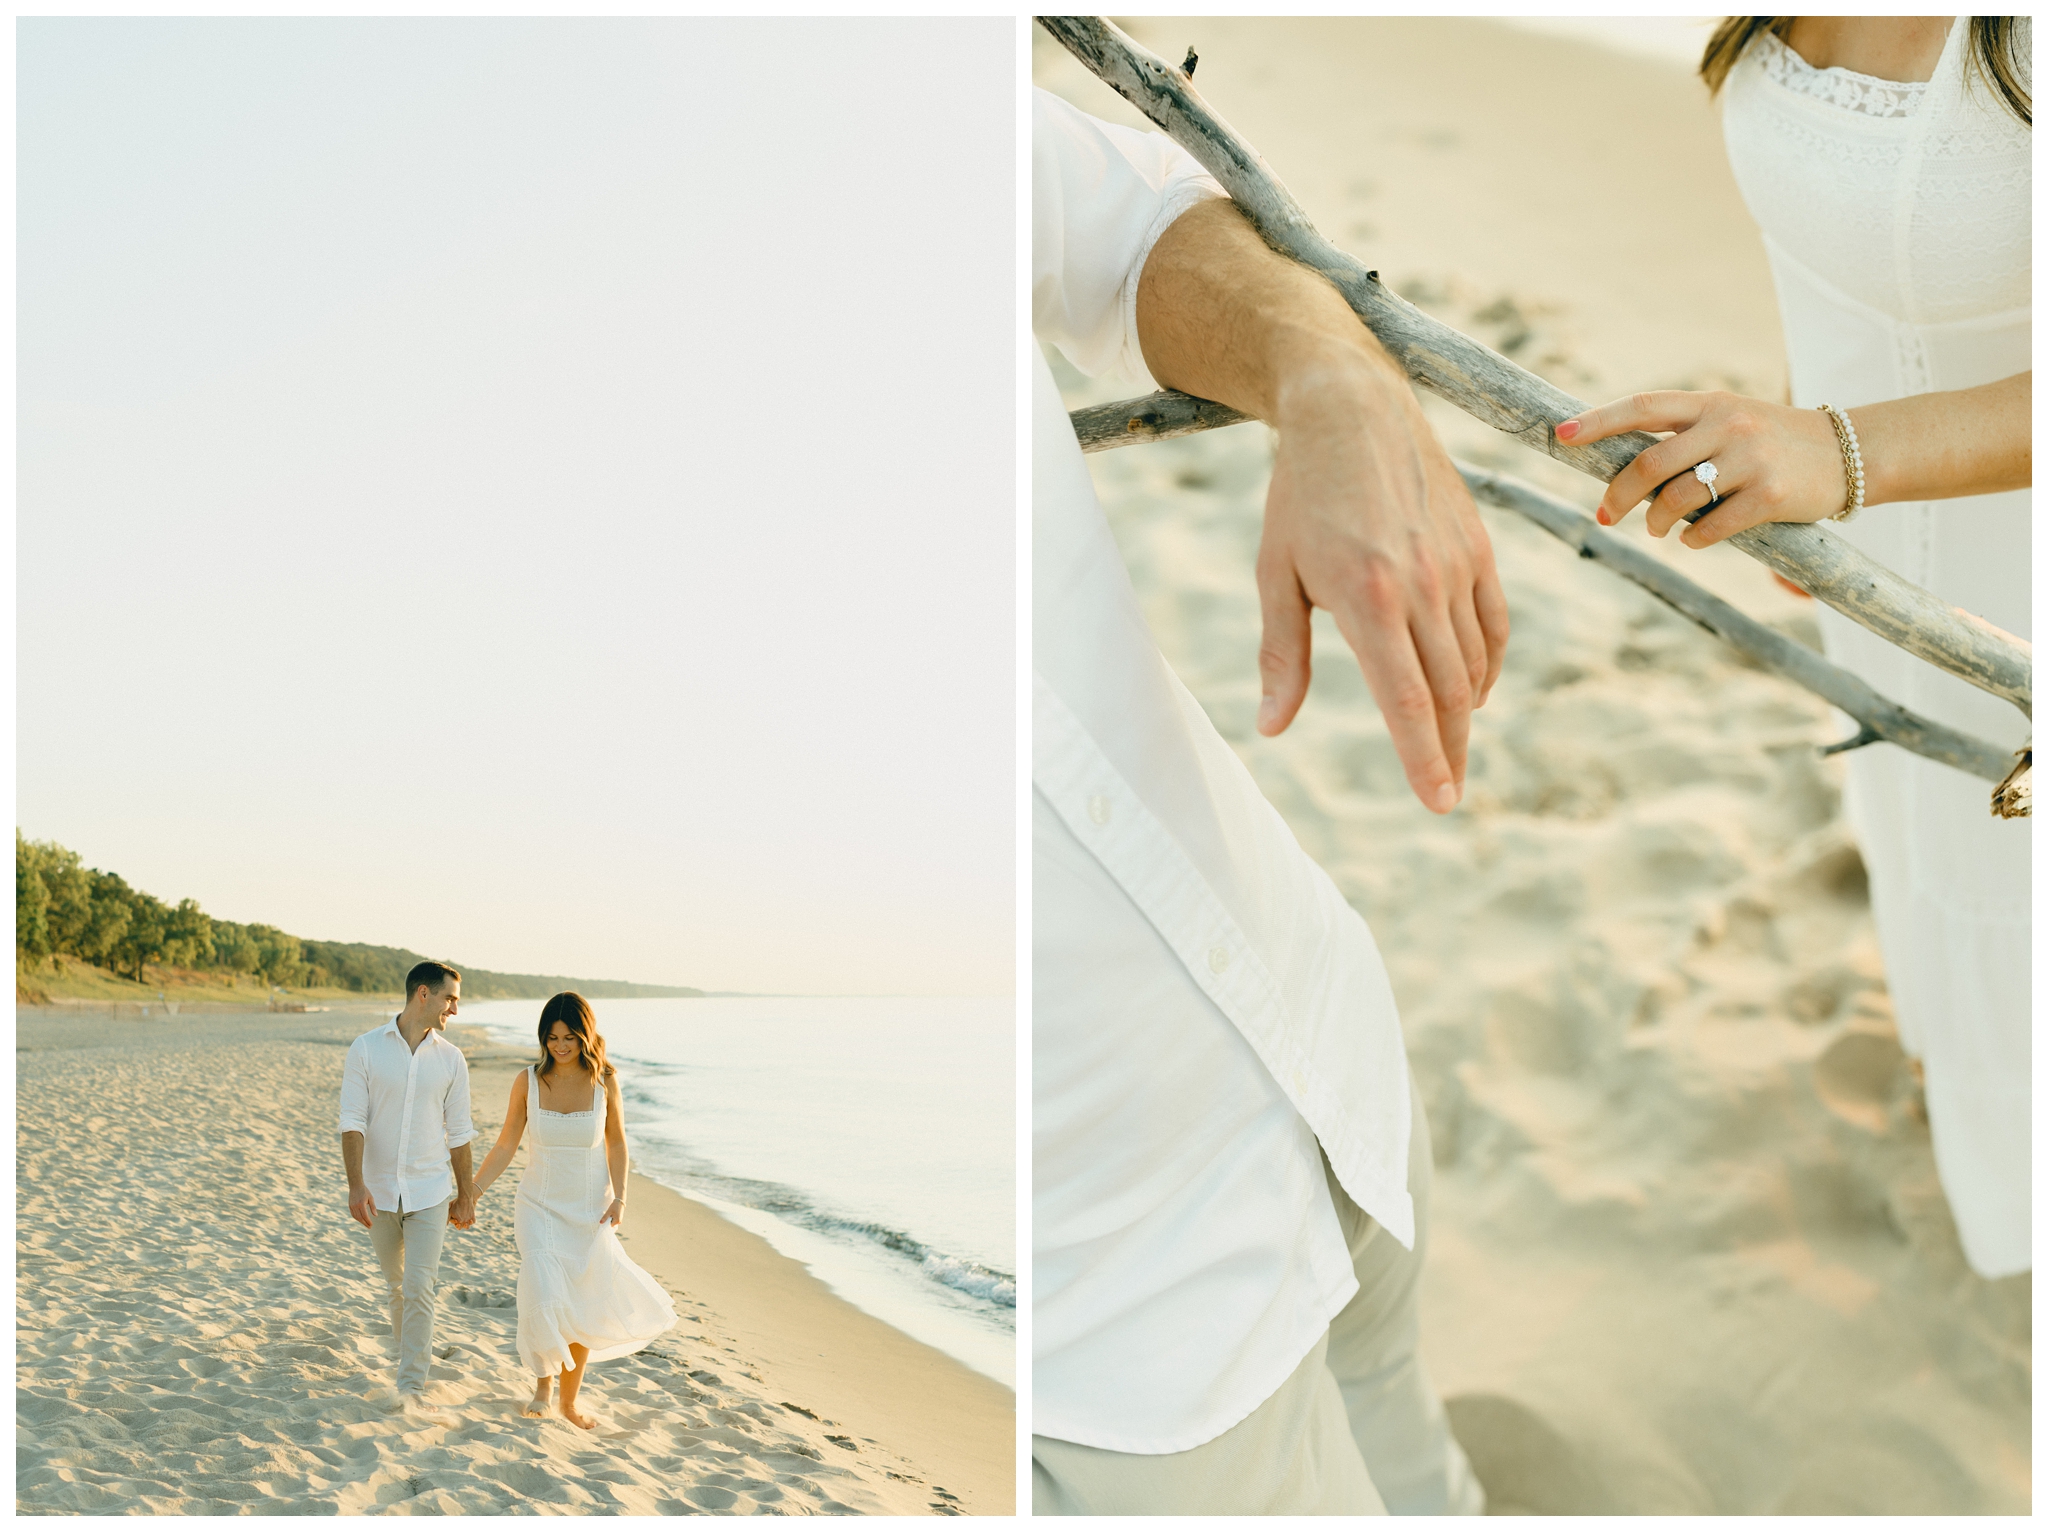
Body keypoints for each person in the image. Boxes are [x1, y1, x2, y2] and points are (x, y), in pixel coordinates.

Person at [1031, 86, 1499, 1514]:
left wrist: (1329, 377)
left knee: (1414, 1449)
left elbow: (1120, 227)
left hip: (1309, 1034)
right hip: (1114, 1338)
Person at [1556, 16, 2030, 1280]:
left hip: (2016, 571)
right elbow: (1827, 260)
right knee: (1923, 825)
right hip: (1870, 560)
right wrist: (1794, 462)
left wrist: (1838, 448)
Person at [471, 992, 675, 1428]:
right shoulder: (527, 1080)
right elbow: (507, 1142)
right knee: (543, 1295)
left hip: (589, 1208)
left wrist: (621, 1196)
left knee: (581, 1304)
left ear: (586, 1035)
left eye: (569, 1037)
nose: (560, 1046)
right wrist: (474, 1190)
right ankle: (543, 1388)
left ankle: (569, 1402)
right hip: (538, 1206)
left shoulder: (605, 1081)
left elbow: (617, 1142)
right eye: (552, 1037)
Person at [337, 959, 479, 1421]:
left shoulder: (452, 1059)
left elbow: (459, 1133)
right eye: (449, 998)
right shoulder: (365, 1049)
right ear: (424, 994)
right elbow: (352, 1122)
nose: (454, 1009)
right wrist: (356, 1186)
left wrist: (465, 1193)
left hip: (430, 1191)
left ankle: (411, 1385)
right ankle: (411, 1357)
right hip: (377, 1193)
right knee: (397, 1287)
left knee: (420, 1286)